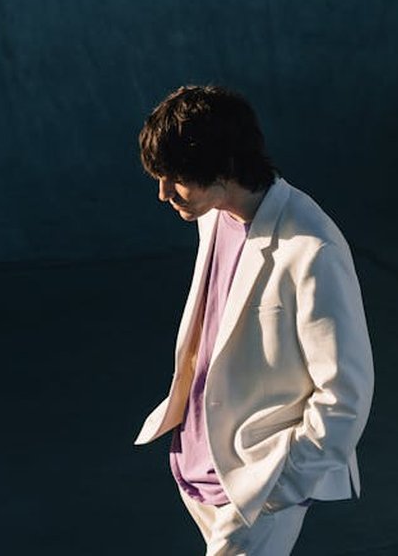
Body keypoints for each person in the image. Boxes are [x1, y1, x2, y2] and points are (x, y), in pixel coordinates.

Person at [134, 85, 374, 555]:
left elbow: (346, 396)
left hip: (256, 486)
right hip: (197, 469)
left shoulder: (312, 250)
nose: (163, 194)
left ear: (222, 169)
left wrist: (276, 490)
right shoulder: (214, 214)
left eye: (175, 178)